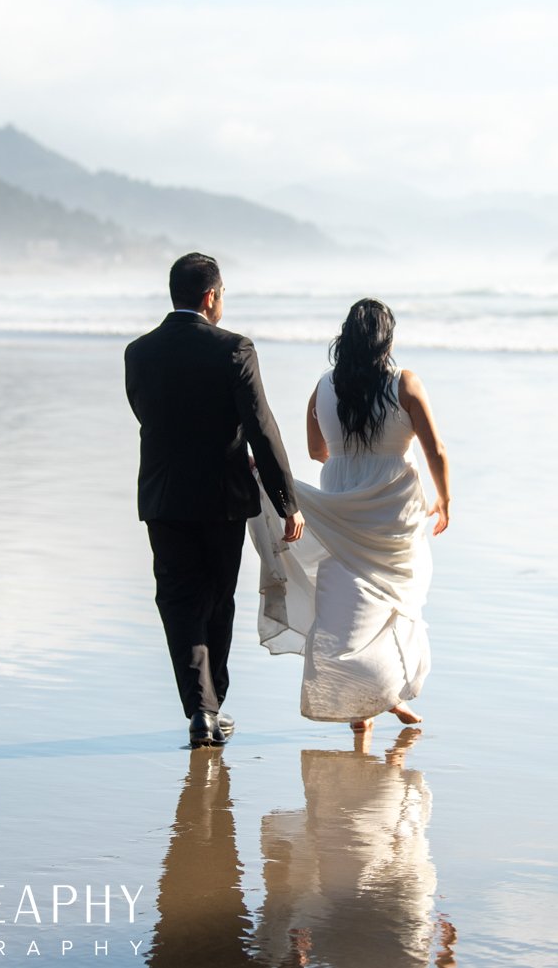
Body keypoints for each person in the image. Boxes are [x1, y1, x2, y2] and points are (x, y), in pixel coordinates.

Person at [125, 252, 305, 748]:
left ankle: (201, 711)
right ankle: (212, 705)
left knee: (178, 601)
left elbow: (148, 416)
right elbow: (261, 428)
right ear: (211, 298)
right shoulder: (234, 349)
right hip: (222, 498)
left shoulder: (138, 353)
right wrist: (286, 500)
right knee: (217, 600)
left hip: (163, 498)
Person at [249, 298, 450, 733]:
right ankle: (376, 699)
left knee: (346, 607)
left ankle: (371, 702)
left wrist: (346, 457)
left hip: (340, 504)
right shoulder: (405, 384)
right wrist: (445, 500)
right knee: (396, 602)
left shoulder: (323, 386)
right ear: (387, 340)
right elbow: (435, 449)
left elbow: (315, 451)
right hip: (394, 509)